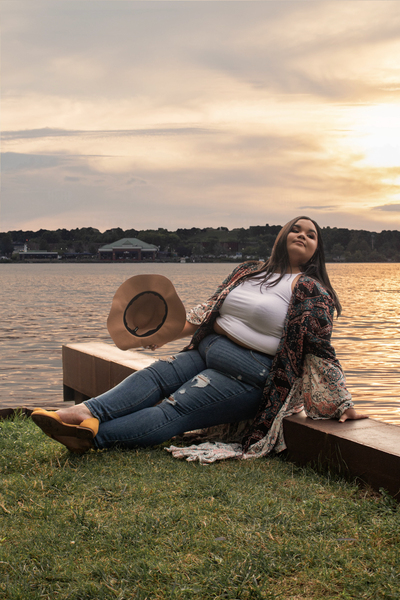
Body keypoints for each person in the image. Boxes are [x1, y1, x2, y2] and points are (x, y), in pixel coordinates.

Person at [32, 216, 367, 456]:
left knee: (174, 410)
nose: (302, 235)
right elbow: (207, 310)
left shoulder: (311, 290)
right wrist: (164, 334)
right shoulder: (248, 271)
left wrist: (342, 403)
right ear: (280, 237)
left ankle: (93, 437)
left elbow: (320, 350)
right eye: (295, 229)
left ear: (316, 251)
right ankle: (80, 415)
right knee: (154, 376)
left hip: (249, 373)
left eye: (311, 235)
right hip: (207, 349)